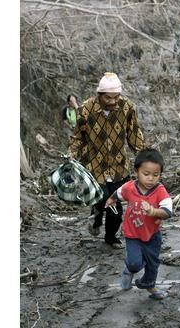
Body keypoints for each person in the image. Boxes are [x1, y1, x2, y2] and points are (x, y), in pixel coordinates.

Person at [68, 72, 145, 249]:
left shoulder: (127, 107)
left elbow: (134, 134)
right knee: (102, 199)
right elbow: (78, 136)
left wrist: (144, 155)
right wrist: (72, 152)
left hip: (118, 167)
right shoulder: (86, 110)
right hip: (95, 165)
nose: (112, 101)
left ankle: (110, 237)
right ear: (99, 95)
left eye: (116, 97)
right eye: (108, 98)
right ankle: (96, 215)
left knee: (115, 208)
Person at [105, 148, 172, 300]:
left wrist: (154, 212)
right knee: (135, 263)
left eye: (156, 175)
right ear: (136, 171)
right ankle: (129, 270)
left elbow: (168, 211)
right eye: (146, 174)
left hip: (152, 235)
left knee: (153, 263)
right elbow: (119, 192)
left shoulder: (160, 191)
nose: (151, 179)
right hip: (133, 234)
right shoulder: (130, 187)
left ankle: (148, 284)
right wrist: (111, 199)